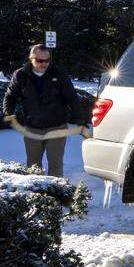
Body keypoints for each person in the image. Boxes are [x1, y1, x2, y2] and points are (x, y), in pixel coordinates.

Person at [2, 44, 83, 177]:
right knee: (33, 168)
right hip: (33, 127)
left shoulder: (59, 73)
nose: (44, 64)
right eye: (40, 61)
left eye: (47, 60)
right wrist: (8, 114)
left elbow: (72, 97)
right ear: (31, 59)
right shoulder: (21, 75)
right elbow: (10, 97)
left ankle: (57, 195)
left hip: (57, 127)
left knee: (55, 166)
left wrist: (80, 118)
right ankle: (37, 196)